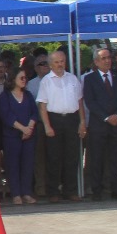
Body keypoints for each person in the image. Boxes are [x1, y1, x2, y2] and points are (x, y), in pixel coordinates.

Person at [36, 51, 84, 202]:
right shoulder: (46, 81)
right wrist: (47, 126)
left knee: (72, 157)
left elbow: (80, 102)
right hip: (54, 119)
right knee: (54, 158)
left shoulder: (73, 79)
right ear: (50, 64)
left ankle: (70, 190)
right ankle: (53, 192)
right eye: (57, 62)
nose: (60, 64)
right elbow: (42, 106)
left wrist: (82, 121)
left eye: (62, 61)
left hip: (71, 119)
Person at [82, 47, 117, 200]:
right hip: (99, 125)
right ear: (96, 61)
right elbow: (90, 101)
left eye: (109, 57)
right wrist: (106, 117)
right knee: (97, 159)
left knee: (116, 159)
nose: (107, 61)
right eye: (103, 58)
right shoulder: (89, 79)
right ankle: (97, 190)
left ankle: (116, 189)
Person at [0, 68, 37, 205]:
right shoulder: (5, 96)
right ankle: (16, 194)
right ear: (13, 79)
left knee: (27, 164)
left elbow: (34, 112)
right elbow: (6, 115)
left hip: (28, 136)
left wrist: (29, 129)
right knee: (12, 165)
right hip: (12, 136)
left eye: (25, 78)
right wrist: (22, 128)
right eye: (21, 78)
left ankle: (26, 192)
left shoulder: (28, 95)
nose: (24, 80)